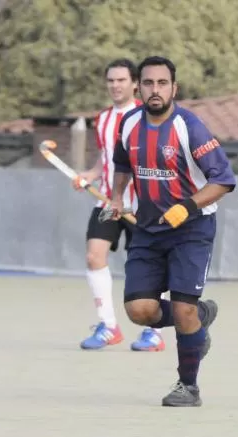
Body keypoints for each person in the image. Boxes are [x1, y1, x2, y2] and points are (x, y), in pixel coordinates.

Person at [108, 56, 235, 407]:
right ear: (139, 87)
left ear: (174, 88)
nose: (155, 90)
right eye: (148, 83)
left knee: (182, 310)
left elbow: (223, 179)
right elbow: (122, 162)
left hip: (191, 230)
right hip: (148, 230)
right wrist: (118, 196)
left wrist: (187, 206)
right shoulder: (129, 124)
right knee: (139, 310)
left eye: (162, 83)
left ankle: (188, 386)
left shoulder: (189, 127)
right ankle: (197, 321)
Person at [74, 58, 167, 352]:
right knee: (94, 256)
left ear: (135, 84)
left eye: (121, 80)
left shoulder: (147, 116)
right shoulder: (102, 119)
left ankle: (154, 332)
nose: (115, 85)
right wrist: (90, 174)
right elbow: (106, 158)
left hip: (143, 206)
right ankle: (108, 326)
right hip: (107, 201)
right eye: (111, 80)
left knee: (147, 267)